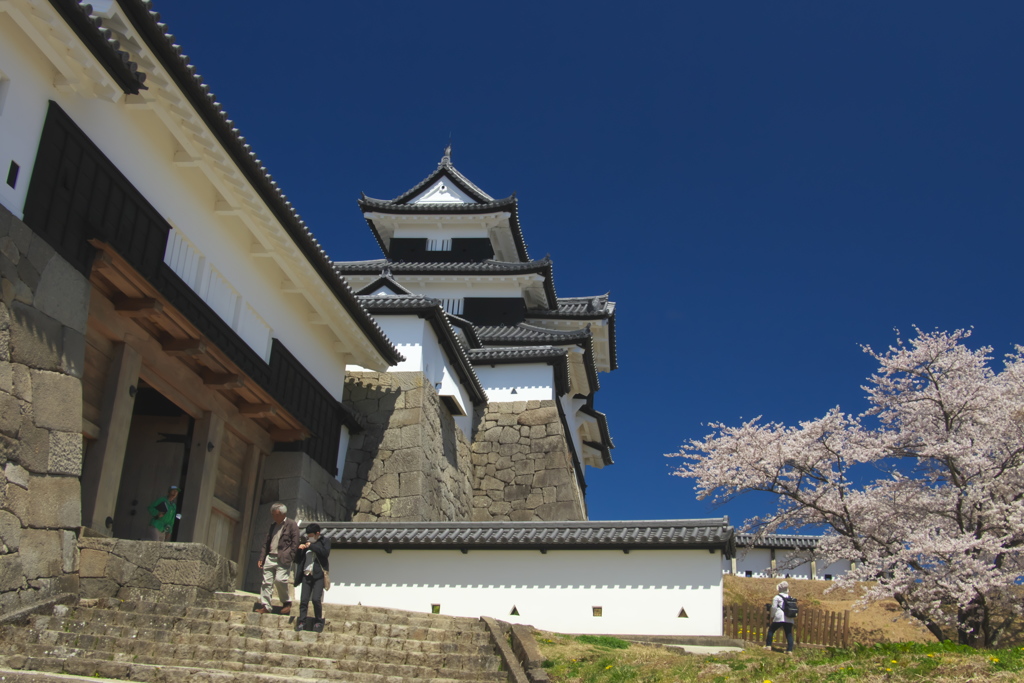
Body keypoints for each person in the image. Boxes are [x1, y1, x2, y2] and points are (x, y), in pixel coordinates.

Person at [256, 502, 300, 614]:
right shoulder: (272, 526)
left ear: (282, 514)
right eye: (272, 514)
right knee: (266, 582)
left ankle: (286, 602)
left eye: (275, 514)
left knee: (280, 580)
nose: (274, 516)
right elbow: (266, 543)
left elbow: (295, 543)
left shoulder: (291, 524)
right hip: (270, 556)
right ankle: (266, 606)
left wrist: (290, 555)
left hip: (283, 558)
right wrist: (262, 557)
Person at [293, 522, 330, 632]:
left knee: (315, 599)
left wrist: (312, 546)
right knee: (304, 600)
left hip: (318, 575)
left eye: (311, 535)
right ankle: (302, 621)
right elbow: (297, 560)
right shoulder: (306, 543)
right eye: (308, 536)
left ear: (317, 533)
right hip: (306, 574)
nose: (309, 538)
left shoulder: (325, 541)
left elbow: (325, 553)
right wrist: (300, 550)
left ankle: (318, 621)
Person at [764, 580, 795, 654]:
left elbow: (774, 607)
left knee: (771, 630)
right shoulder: (790, 597)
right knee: (788, 633)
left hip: (779, 617)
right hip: (789, 617)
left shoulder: (777, 597)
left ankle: (768, 646)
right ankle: (789, 650)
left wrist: (772, 616)